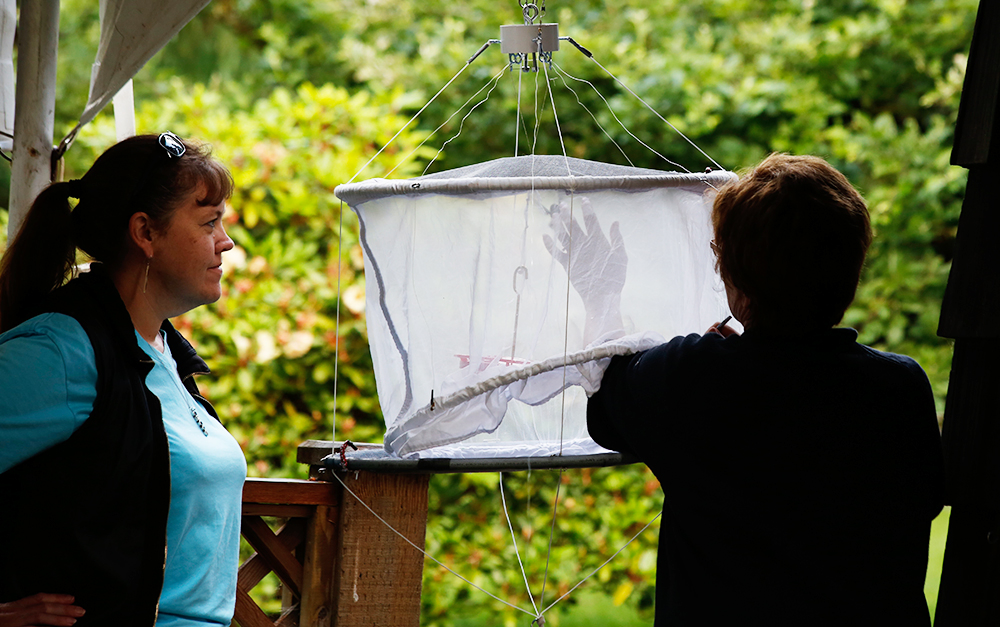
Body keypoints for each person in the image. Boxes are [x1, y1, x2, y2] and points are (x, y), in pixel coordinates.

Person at [585, 154, 945, 625]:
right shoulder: (900, 389)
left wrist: (600, 292)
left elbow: (603, 406)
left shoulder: (687, 380)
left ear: (736, 282)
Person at [0, 133, 247, 626]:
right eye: (209, 222)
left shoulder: (163, 351)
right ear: (145, 233)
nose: (227, 241)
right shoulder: (63, 351)